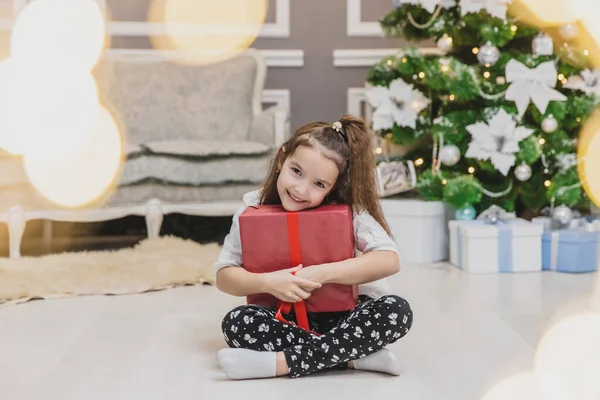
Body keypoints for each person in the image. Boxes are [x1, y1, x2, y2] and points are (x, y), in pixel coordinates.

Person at [214, 115, 413, 380]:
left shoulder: (351, 210)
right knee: (236, 323)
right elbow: (225, 277)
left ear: (333, 187)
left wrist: (318, 273)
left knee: (396, 311)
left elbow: (389, 260)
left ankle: (279, 363)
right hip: (284, 317)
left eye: (319, 184)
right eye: (296, 171)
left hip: (346, 317)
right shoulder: (252, 203)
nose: (300, 189)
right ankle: (352, 357)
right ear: (282, 158)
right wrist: (269, 282)